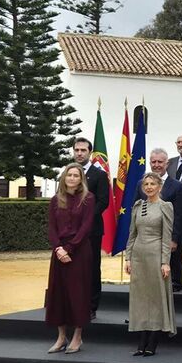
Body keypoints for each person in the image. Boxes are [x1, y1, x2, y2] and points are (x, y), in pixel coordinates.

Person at [45, 162, 96, 354]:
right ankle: (60, 337)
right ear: (64, 178)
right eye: (69, 175)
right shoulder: (55, 200)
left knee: (77, 294)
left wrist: (69, 249)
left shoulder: (88, 199)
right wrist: (58, 248)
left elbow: (86, 227)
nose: (72, 178)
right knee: (59, 295)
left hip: (79, 252)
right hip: (59, 253)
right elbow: (51, 227)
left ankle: (77, 337)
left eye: (76, 175)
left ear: (81, 179)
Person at [126, 172, 176, 356]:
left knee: (156, 298)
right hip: (138, 255)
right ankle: (141, 340)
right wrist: (128, 257)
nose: (148, 187)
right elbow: (132, 233)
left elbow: (167, 236)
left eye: (152, 184)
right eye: (145, 184)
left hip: (156, 255)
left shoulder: (166, 206)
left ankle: (153, 341)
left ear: (159, 187)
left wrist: (165, 262)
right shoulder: (138, 206)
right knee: (141, 298)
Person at [136, 148, 182, 293]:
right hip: (146, 239)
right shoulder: (141, 184)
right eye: (154, 162)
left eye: (160, 162)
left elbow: (179, 215)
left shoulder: (178, 186)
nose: (157, 165)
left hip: (168, 237)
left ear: (167, 163)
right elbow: (136, 212)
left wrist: (174, 239)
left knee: (171, 281)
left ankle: (169, 310)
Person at [72, 137, 110, 321]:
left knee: (92, 267)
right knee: (72, 268)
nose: (79, 153)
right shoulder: (68, 174)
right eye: (77, 150)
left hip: (91, 231)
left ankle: (91, 306)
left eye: (83, 150)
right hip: (69, 230)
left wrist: (85, 219)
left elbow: (104, 202)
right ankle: (72, 303)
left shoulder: (99, 175)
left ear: (90, 152)